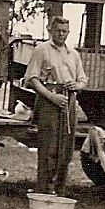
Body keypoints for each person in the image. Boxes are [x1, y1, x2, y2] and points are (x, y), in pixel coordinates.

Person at [24, 15, 88, 196]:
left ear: (68, 32)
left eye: (64, 31)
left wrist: (77, 85)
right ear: (50, 30)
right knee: (48, 146)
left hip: (69, 101)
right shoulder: (41, 50)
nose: (61, 34)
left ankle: (59, 190)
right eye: (58, 30)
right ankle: (44, 189)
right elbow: (32, 79)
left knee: (66, 146)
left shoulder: (73, 53)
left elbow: (82, 79)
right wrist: (51, 97)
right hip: (48, 100)